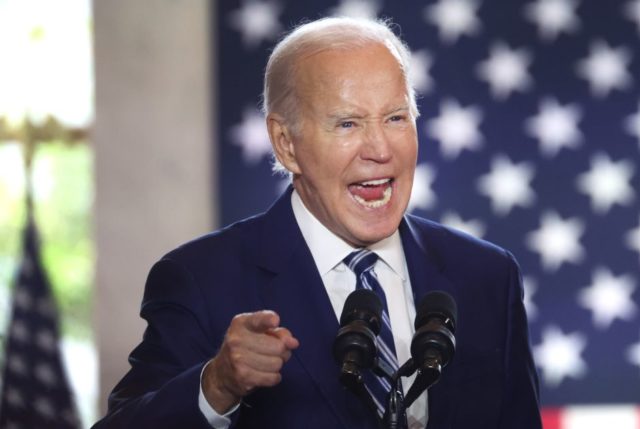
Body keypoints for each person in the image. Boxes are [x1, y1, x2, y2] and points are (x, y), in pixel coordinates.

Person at [93, 17, 540, 429]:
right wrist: (216, 386)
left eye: (396, 118)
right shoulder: (203, 280)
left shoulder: (487, 277)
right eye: (347, 124)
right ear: (286, 144)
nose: (380, 149)